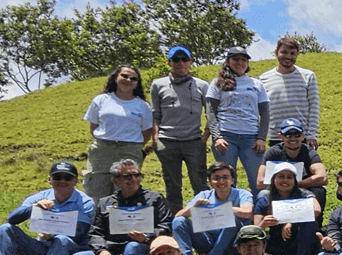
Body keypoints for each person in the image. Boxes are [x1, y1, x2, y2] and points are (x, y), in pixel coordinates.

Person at [150, 46, 210, 211]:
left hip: (193, 141)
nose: (180, 63)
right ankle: (175, 220)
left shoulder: (202, 85)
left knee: (200, 183)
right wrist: (155, 138)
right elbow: (155, 114)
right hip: (167, 142)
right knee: (172, 185)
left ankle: (204, 220)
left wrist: (205, 136)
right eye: (176, 59)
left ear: (191, 62)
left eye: (184, 59)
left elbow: (211, 114)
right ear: (170, 62)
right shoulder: (157, 85)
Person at [171, 162, 254, 255]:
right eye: (216, 178)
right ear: (210, 181)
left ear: (232, 180)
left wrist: (224, 209)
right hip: (208, 240)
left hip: (232, 244)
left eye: (225, 177)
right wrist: (194, 207)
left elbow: (247, 212)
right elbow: (178, 217)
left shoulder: (242, 194)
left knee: (232, 219)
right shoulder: (204, 195)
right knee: (179, 221)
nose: (221, 182)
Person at [84, 64, 154, 200]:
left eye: (133, 78)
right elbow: (93, 127)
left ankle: (125, 219)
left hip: (130, 150)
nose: (128, 80)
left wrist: (134, 145)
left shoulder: (143, 106)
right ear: (116, 77)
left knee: (127, 188)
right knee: (97, 187)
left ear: (137, 83)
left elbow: (147, 131)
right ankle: (99, 219)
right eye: (124, 76)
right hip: (102, 149)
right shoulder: (101, 100)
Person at [207, 47, 270, 191]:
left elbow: (265, 113)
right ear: (228, 61)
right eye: (235, 59)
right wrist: (217, 137)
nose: (240, 62)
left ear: (248, 63)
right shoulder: (217, 82)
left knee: (258, 181)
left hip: (251, 138)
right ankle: (230, 212)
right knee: (226, 181)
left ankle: (258, 213)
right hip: (226, 137)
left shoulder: (256, 84)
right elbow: (210, 112)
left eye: (243, 59)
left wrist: (261, 138)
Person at [252, 163, 319, 255]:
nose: (285, 180)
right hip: (275, 240)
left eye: (289, 177)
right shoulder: (265, 197)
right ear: (273, 179)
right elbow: (255, 230)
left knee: (310, 222)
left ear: (295, 180)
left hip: (299, 238)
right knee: (252, 243)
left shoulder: (304, 194)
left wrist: (290, 221)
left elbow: (316, 210)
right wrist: (263, 224)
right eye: (281, 176)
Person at [256, 118, 327, 223]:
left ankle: (315, 224)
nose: (293, 138)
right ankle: (262, 227)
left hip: (301, 190)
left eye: (297, 135)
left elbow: (323, 177)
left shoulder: (309, 152)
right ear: (280, 137)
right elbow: (260, 181)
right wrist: (281, 186)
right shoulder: (273, 152)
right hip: (277, 190)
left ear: (303, 136)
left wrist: (296, 185)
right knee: (263, 194)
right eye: (288, 135)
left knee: (319, 191)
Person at [260, 37, 321, 149]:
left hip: (301, 137)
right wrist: (261, 137)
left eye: (292, 53)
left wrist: (312, 135)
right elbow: (261, 111)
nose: (288, 56)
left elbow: (314, 107)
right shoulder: (264, 79)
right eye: (284, 52)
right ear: (276, 52)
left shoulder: (308, 76)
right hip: (276, 137)